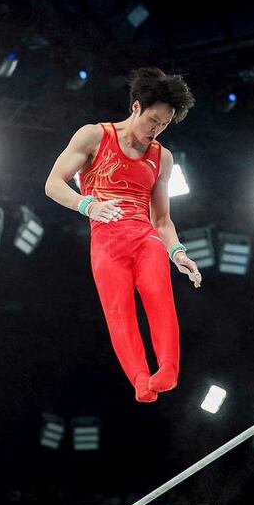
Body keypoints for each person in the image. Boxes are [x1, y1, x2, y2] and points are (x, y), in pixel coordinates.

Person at [45, 67, 201, 402]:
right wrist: (87, 205)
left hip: (146, 240)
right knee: (119, 311)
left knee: (160, 300)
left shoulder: (163, 158)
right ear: (136, 108)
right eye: (153, 120)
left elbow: (161, 219)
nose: (156, 131)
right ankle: (140, 379)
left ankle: (168, 369)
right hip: (106, 241)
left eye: (164, 125)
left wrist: (178, 253)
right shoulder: (93, 136)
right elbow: (53, 184)